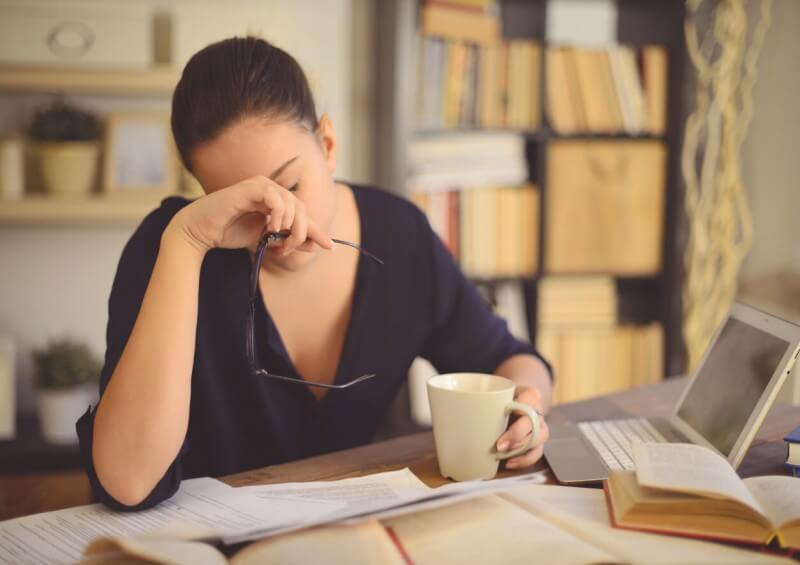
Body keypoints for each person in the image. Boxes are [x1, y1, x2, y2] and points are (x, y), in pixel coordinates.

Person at [76, 36, 553, 510]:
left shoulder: (399, 233)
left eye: (289, 185)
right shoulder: (171, 246)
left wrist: (526, 410)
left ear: (327, 143)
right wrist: (187, 242)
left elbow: (508, 360)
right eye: (244, 205)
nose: (278, 225)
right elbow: (129, 482)